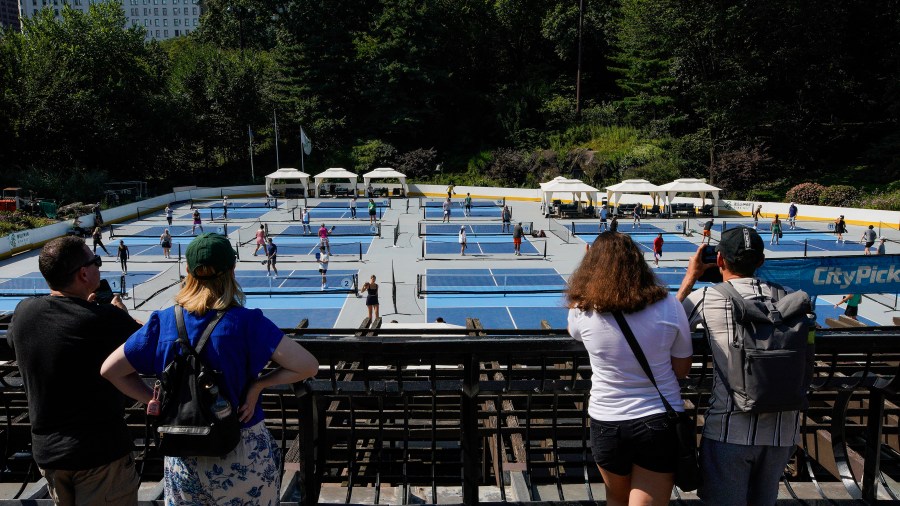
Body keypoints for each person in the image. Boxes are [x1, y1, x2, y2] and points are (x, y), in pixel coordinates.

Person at [100, 233, 319, 505]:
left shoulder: (162, 322)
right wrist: (258, 385)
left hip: (183, 455)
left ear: (188, 272)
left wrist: (155, 400)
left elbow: (110, 370)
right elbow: (308, 366)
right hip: (241, 449)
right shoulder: (247, 323)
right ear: (232, 271)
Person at [9, 236, 142, 505]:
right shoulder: (106, 320)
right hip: (100, 454)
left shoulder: (24, 313)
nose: (99, 267)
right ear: (83, 273)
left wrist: (88, 308)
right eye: (96, 262)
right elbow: (151, 342)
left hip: (49, 455)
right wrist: (121, 315)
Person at [676, 227, 801, 506]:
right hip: (784, 431)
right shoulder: (790, 298)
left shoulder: (707, 298)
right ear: (761, 261)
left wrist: (690, 277)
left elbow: (662, 331)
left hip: (729, 429)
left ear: (719, 260)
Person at [567, 232, 692, 506]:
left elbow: (576, 333)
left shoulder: (581, 309)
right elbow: (682, 369)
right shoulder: (670, 305)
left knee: (616, 499)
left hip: (606, 420)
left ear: (590, 263)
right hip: (658, 419)